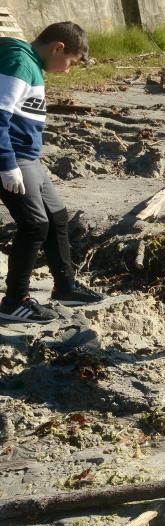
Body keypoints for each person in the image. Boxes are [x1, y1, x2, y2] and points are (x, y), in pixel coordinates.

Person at [0, 22, 105, 324]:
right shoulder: (19, 62)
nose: (68, 69)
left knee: (57, 214)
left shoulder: (32, 64)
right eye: (71, 62)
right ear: (58, 47)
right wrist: (6, 165)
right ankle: (14, 302)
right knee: (34, 226)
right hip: (13, 157)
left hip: (28, 157)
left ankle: (66, 286)